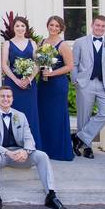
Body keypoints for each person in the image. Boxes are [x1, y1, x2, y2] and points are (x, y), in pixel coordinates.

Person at [0, 86, 69, 209]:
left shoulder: (20, 116)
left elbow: (29, 138)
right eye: (2, 96)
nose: (5, 99)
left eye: (8, 96)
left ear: (12, 99)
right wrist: (8, 152)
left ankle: (51, 195)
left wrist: (25, 152)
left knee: (42, 155)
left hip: (19, 155)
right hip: (1, 155)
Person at [71, 15, 105, 158]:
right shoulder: (80, 42)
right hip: (85, 83)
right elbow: (74, 64)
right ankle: (86, 148)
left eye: (103, 26)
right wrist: (76, 81)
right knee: (84, 116)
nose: (100, 28)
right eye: (97, 25)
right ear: (92, 25)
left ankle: (79, 138)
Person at [0, 15, 43, 151]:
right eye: (17, 26)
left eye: (22, 26)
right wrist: (16, 80)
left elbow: (37, 63)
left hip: (29, 85)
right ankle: (14, 146)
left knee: (30, 113)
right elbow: (4, 65)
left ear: (26, 27)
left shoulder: (32, 43)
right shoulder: (7, 44)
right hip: (13, 83)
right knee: (14, 113)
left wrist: (29, 78)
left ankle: (31, 147)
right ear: (13, 28)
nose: (20, 28)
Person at [37, 15, 74, 161]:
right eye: (51, 25)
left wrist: (52, 73)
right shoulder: (41, 42)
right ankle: (45, 149)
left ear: (61, 28)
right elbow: (37, 61)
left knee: (57, 116)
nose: (53, 28)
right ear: (47, 26)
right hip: (43, 84)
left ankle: (59, 151)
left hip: (58, 84)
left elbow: (69, 66)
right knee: (44, 115)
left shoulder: (63, 45)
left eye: (57, 26)